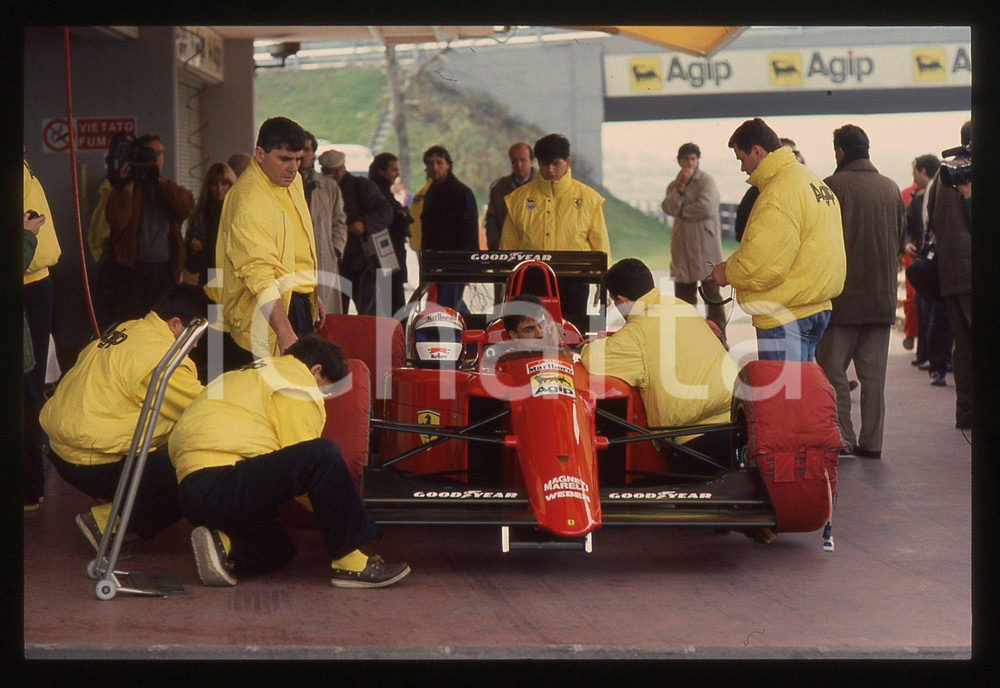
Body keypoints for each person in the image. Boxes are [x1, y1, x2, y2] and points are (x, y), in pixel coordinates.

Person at [168, 335, 410, 589]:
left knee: (279, 549)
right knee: (323, 454)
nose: (322, 397)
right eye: (325, 389)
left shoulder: (244, 374)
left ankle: (223, 544)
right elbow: (307, 464)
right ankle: (351, 564)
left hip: (192, 491)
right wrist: (348, 514)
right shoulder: (296, 381)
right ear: (316, 370)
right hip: (223, 482)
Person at [39, 285, 208, 551]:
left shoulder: (130, 328)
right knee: (198, 475)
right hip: (89, 460)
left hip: (59, 446)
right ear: (175, 324)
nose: (196, 344)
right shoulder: (162, 359)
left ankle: (121, 515)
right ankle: (107, 522)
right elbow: (207, 410)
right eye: (195, 334)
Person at [710, 118, 845, 362]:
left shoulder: (777, 194)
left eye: (742, 159)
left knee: (785, 398)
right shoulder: (813, 181)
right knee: (803, 393)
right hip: (816, 307)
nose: (742, 168)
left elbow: (761, 265)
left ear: (757, 151)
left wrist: (727, 273)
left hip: (785, 314)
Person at [815, 125, 906, 459]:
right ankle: (872, 443)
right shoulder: (891, 188)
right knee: (873, 379)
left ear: (840, 152)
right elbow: (899, 241)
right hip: (881, 300)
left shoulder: (830, 187)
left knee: (832, 371)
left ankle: (844, 436)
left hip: (841, 302)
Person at [580, 259, 738, 450]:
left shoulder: (636, 332)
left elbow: (593, 360)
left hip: (694, 437)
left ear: (620, 300)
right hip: (739, 416)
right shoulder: (682, 305)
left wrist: (585, 346)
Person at [213, 117, 325, 368]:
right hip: (265, 313)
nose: (293, 167)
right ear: (260, 154)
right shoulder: (249, 200)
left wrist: (309, 292)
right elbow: (258, 272)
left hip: (295, 301)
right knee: (272, 396)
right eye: (284, 159)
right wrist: (284, 330)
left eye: (298, 159)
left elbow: (297, 244)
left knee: (299, 388)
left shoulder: (291, 180)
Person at [500, 134, 610, 335]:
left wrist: (605, 283)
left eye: (555, 163)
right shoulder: (518, 199)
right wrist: (505, 281)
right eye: (544, 164)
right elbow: (507, 247)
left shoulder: (589, 199)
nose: (550, 170)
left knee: (572, 335)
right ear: (537, 163)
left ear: (567, 162)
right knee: (530, 337)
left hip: (574, 281)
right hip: (529, 282)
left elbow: (600, 244)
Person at [105, 134, 195, 324]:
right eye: (149, 153)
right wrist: (127, 185)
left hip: (165, 270)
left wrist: (159, 181)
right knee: (134, 322)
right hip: (134, 271)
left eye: (159, 153)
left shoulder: (167, 188)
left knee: (163, 321)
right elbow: (117, 221)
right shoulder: (127, 188)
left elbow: (187, 207)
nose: (155, 157)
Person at [925, 120, 972, 429]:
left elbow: (931, 224)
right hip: (975, 274)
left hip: (952, 275)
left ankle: (966, 413)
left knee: (964, 347)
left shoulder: (944, 174)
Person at [23, 154, 62, 511]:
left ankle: (30, 486)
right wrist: (25, 237)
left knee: (30, 384)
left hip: (35, 281)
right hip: (27, 281)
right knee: (27, 386)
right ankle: (29, 485)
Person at [661, 142, 726, 336]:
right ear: (679, 161)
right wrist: (680, 188)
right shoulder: (674, 184)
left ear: (697, 160)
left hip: (705, 245)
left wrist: (682, 211)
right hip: (683, 247)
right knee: (684, 297)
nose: (689, 163)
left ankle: (719, 335)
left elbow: (706, 207)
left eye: (693, 159)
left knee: (712, 294)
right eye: (686, 159)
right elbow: (668, 208)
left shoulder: (707, 181)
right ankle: (688, 337)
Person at [319, 148, 393, 316]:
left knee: (367, 313)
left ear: (340, 170)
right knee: (337, 313)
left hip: (362, 261)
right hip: (337, 261)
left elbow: (385, 211)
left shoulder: (361, 186)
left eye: (328, 172)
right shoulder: (322, 189)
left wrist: (364, 223)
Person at [904, 154, 951, 379]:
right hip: (934, 258)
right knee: (927, 309)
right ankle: (932, 359)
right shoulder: (919, 196)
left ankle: (936, 363)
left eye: (915, 172)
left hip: (936, 260)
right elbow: (910, 226)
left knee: (932, 312)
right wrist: (907, 243)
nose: (913, 177)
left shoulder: (935, 189)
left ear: (923, 171)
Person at [416, 145, 479, 311]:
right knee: (448, 305)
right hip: (436, 261)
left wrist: (468, 264)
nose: (434, 167)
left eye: (439, 162)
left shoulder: (462, 193)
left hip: (455, 262)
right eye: (430, 163)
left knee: (447, 306)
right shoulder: (431, 192)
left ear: (448, 165)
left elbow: (470, 231)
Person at [301, 132, 348, 316]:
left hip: (324, 255)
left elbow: (339, 221)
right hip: (296, 258)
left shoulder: (328, 185)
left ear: (313, 153)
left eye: (307, 149)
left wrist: (336, 248)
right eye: (299, 149)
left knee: (325, 314)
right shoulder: (284, 184)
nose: (303, 154)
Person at [369, 152, 413, 316]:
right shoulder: (378, 192)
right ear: (381, 170)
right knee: (392, 306)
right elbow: (394, 219)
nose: (397, 174)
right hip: (386, 256)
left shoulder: (381, 191)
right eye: (393, 170)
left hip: (388, 257)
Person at [184, 162, 237, 285]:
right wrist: (195, 250)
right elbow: (191, 264)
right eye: (214, 184)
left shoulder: (239, 211)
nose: (219, 189)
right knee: (213, 304)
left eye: (224, 184)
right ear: (208, 186)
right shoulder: (201, 215)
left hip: (235, 273)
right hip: (211, 271)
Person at [484, 142, 536, 251]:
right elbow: (492, 221)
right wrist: (497, 248)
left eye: (523, 160)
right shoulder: (499, 189)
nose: (519, 165)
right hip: (506, 254)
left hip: (536, 253)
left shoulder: (543, 185)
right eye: (514, 161)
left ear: (531, 161)